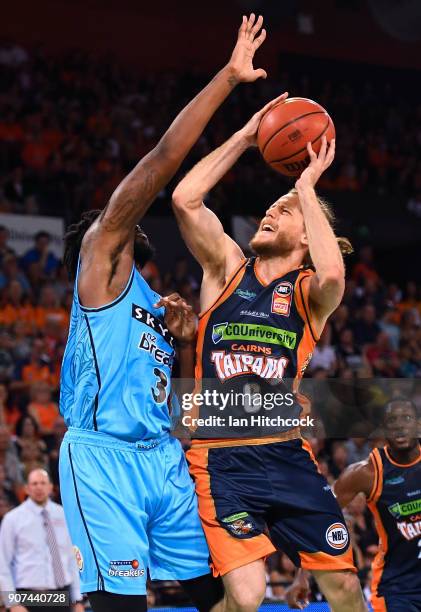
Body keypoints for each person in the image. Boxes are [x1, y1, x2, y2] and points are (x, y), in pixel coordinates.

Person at [58, 14, 268, 612]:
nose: (131, 224)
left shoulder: (153, 300)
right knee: (124, 606)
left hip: (163, 458)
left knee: (220, 593)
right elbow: (162, 158)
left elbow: (157, 387)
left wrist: (183, 340)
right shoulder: (100, 264)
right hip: (103, 460)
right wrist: (228, 80)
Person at [172, 100, 366, 611]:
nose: (268, 213)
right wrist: (244, 137)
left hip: (286, 456)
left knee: (345, 587)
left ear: (306, 235)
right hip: (221, 459)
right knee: (249, 594)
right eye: (270, 207)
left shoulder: (308, 294)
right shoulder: (226, 269)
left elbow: (333, 277)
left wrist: (304, 189)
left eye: (282, 212)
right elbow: (186, 200)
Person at [286, 398, 421, 611]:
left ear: (418, 425)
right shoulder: (367, 472)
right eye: (392, 420)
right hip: (398, 589)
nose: (399, 425)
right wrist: (301, 575)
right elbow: (319, 519)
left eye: (406, 418)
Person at [0, 468, 84, 612]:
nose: (39, 487)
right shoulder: (12, 519)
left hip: (62, 595)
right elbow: (3, 563)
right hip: (28, 596)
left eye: (43, 483)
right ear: (27, 488)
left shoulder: (64, 515)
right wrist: (13, 603)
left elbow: (72, 560)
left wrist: (78, 600)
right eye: (34, 483)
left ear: (51, 487)